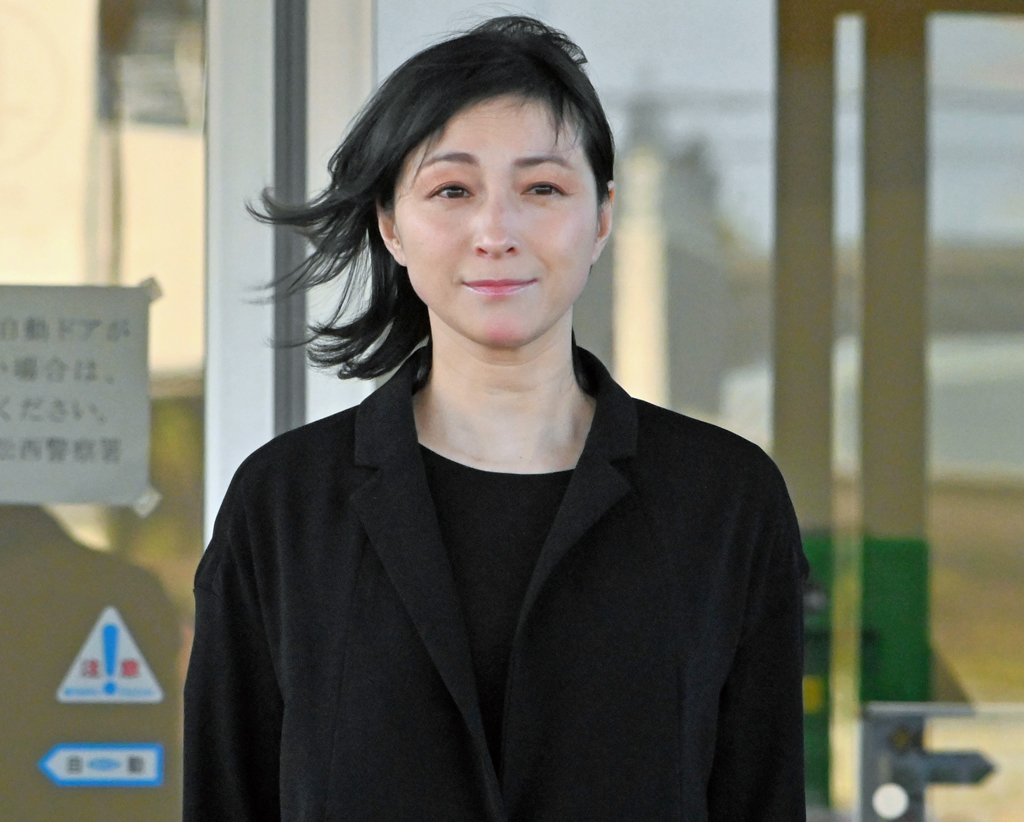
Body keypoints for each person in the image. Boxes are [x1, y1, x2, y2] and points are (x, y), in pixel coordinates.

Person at [184, 16, 807, 821]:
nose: (496, 233)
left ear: (602, 217)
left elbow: (761, 796)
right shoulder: (285, 505)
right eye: (453, 191)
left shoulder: (723, 500)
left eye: (541, 189)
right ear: (390, 224)